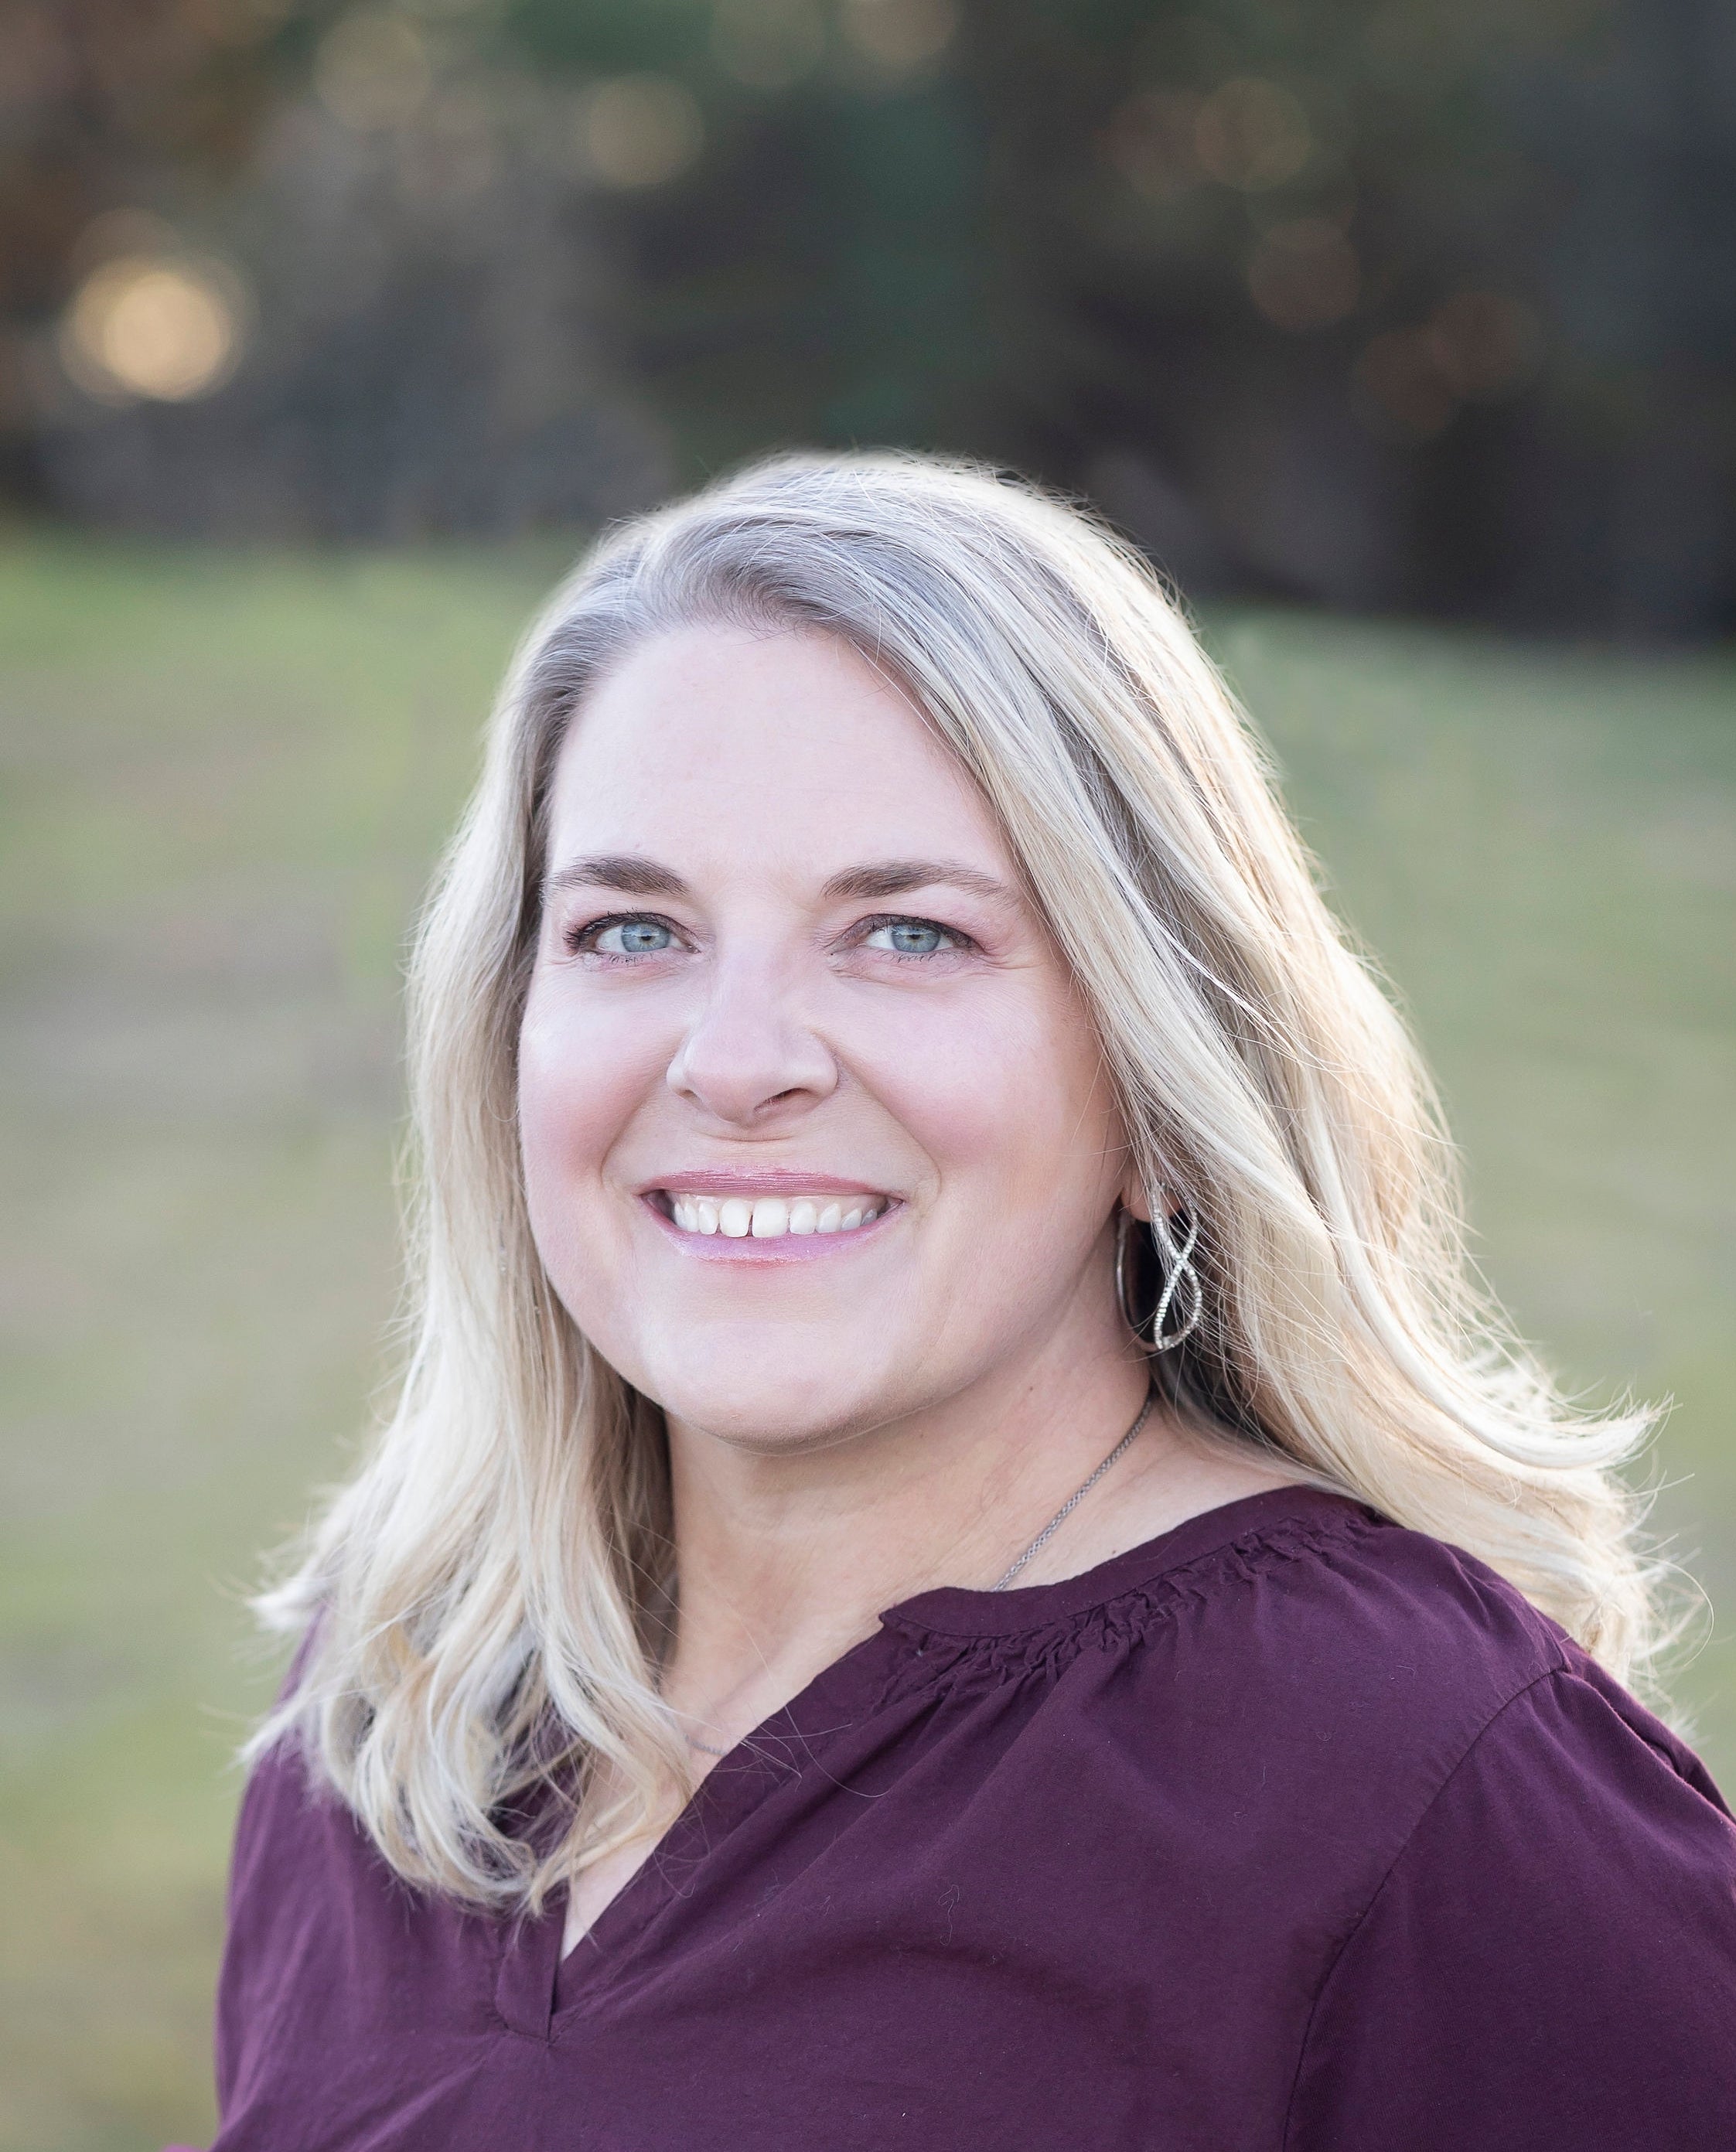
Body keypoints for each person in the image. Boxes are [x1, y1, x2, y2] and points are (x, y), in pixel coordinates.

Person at [199, 453, 1736, 2150]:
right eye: (632, 931)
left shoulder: (1421, 1784)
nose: (737, 1064)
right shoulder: (399, 1687)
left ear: (1159, 1082)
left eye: (908, 935)